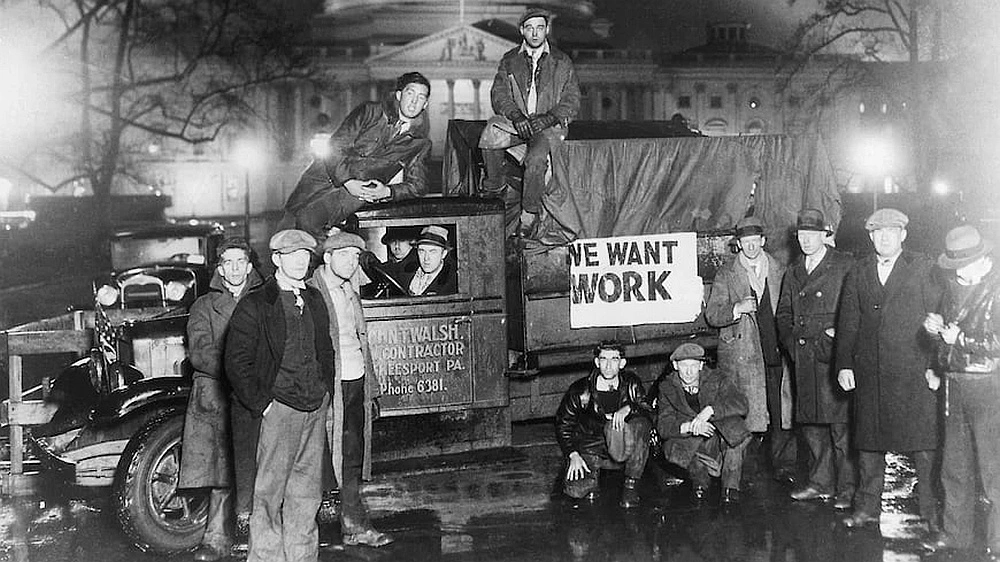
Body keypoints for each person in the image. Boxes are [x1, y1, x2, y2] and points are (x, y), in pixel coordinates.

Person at [225, 229, 336, 562]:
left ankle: (302, 556)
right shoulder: (256, 303)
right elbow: (236, 363)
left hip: (313, 407)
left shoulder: (314, 298)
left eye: (305, 255)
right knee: (268, 495)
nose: (301, 261)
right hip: (279, 409)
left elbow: (325, 349)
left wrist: (325, 392)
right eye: (292, 255)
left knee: (307, 493)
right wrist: (264, 405)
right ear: (276, 259)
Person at [834, 208, 944, 530]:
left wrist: (936, 367)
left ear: (903, 235)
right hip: (870, 372)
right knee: (868, 443)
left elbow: (937, 319)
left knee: (923, 445)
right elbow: (848, 321)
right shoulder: (858, 271)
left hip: (913, 371)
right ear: (870, 237)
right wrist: (844, 364)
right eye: (878, 232)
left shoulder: (923, 268)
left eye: (891, 232)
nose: (884, 238)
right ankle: (867, 507)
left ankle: (931, 513)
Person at [306, 231, 392, 547]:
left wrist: (372, 388)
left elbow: (361, 343)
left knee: (352, 454)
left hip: (355, 382)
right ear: (327, 257)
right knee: (320, 459)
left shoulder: (349, 291)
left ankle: (353, 524)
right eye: (344, 255)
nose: (351, 262)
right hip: (328, 388)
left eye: (355, 257)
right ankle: (312, 532)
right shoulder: (312, 293)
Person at [179, 238, 262, 562]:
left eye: (241, 261)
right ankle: (216, 538)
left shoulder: (266, 300)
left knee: (262, 467)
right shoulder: (203, 306)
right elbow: (200, 353)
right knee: (222, 471)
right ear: (220, 269)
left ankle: (262, 539)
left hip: (257, 394)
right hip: (218, 395)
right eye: (228, 262)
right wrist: (239, 373)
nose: (235, 268)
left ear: (250, 266)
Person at [922, 225, 1000, 559]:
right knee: (953, 466)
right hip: (955, 385)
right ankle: (955, 535)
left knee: (994, 470)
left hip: (989, 388)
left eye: (962, 265)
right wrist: (935, 333)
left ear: (983, 260)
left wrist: (960, 339)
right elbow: (947, 335)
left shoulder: (997, 290)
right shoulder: (953, 289)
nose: (956, 273)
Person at [704, 216, 793, 504]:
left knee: (779, 413)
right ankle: (745, 472)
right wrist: (736, 308)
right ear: (738, 244)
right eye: (746, 242)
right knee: (747, 415)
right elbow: (712, 315)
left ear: (763, 241)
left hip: (775, 351)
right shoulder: (727, 273)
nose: (751, 247)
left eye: (756, 241)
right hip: (744, 357)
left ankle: (779, 468)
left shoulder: (779, 269)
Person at [283, 72, 433, 239]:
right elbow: (336, 146)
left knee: (308, 225)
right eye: (410, 93)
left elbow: (418, 185)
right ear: (399, 95)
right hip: (322, 176)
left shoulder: (420, 143)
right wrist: (348, 181)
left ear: (425, 104)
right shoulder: (370, 112)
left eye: (421, 97)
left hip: (357, 193)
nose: (414, 101)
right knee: (286, 228)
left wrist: (387, 192)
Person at [775, 208, 856, 510]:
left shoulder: (844, 265)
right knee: (812, 426)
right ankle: (821, 482)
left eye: (813, 234)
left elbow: (855, 307)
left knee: (841, 427)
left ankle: (848, 489)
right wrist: (792, 344)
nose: (806, 240)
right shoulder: (794, 270)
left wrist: (837, 337)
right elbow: (783, 313)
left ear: (825, 235)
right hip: (804, 357)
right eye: (801, 235)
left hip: (833, 356)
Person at [478, 7, 580, 231]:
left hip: (546, 128)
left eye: (540, 28)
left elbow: (572, 100)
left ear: (547, 30)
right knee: (489, 135)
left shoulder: (562, 62)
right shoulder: (510, 59)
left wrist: (549, 118)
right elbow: (499, 94)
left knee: (536, 160)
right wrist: (516, 116)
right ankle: (495, 189)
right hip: (519, 124)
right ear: (522, 30)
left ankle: (529, 213)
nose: (535, 33)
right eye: (530, 28)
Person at [555, 341, 653, 508]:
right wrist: (573, 454)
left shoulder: (631, 384)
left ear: (622, 363)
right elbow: (563, 425)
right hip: (592, 445)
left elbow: (648, 411)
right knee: (576, 490)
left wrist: (629, 408)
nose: (608, 366)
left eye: (614, 359)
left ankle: (631, 484)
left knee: (642, 424)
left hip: (622, 443)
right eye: (603, 359)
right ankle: (593, 477)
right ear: (597, 362)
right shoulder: (581, 390)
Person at [657, 343, 750, 505]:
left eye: (693, 365)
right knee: (672, 446)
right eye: (684, 366)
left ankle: (730, 488)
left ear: (701, 365)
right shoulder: (667, 387)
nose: (689, 371)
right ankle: (700, 480)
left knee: (735, 431)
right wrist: (691, 427)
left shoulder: (717, 379)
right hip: (694, 444)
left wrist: (710, 410)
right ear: (675, 366)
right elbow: (663, 426)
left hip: (720, 438)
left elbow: (742, 404)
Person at [404, 225, 457, 296]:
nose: (426, 258)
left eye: (432, 252)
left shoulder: (453, 283)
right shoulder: (407, 271)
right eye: (422, 251)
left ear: (444, 254)